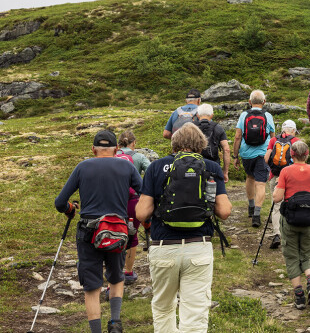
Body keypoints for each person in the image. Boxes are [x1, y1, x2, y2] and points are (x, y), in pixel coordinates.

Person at [136, 123, 231, 333]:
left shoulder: (156, 167)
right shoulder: (211, 168)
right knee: (195, 313)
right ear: (201, 144)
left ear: (174, 144)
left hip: (163, 247)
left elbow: (142, 213)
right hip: (199, 248)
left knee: (163, 308)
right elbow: (224, 212)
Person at [54, 129, 142, 333]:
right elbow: (144, 190)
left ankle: (96, 331)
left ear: (93, 149)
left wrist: (70, 209)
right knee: (116, 276)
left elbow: (60, 202)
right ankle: (115, 323)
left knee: (92, 285)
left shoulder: (82, 167)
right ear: (116, 149)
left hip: (88, 232)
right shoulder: (126, 166)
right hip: (118, 230)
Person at [272, 140, 310, 310]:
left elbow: (277, 198)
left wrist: (278, 189)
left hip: (290, 220)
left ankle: (299, 297)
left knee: (291, 255)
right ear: (307, 154)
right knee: (308, 253)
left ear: (291, 154)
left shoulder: (285, 171)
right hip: (309, 220)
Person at [232, 90, 276, 228]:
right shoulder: (267, 115)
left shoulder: (244, 115)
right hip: (263, 154)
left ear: (250, 102)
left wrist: (235, 156)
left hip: (246, 154)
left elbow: (238, 136)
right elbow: (273, 137)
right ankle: (257, 215)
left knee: (250, 178)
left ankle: (251, 207)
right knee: (261, 183)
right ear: (264, 102)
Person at [116, 130, 150, 285]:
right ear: (134, 143)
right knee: (132, 234)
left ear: (118, 144)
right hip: (133, 200)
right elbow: (150, 172)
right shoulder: (140, 157)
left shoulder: (112, 157)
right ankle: (128, 272)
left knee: (112, 230)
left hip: (115, 199)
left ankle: (113, 269)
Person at [265, 120, 301, 250]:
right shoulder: (297, 141)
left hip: (275, 176)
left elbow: (266, 157)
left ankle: (276, 234)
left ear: (283, 129)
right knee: (292, 203)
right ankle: (291, 234)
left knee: (276, 205)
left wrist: (273, 170)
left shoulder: (274, 139)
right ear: (293, 130)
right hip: (291, 176)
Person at [194, 103, 230, 178]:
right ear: (212, 115)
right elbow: (226, 150)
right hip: (213, 165)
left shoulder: (191, 127)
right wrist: (225, 172)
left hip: (194, 164)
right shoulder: (218, 128)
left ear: (197, 115)